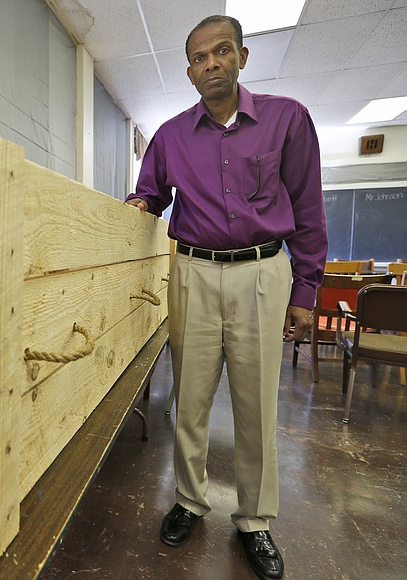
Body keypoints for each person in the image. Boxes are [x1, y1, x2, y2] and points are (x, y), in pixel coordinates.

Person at [125, 14, 327, 580]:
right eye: (197, 57)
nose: (209, 63)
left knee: (256, 402)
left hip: (264, 274)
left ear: (241, 56)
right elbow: (151, 196)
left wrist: (305, 289)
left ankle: (254, 520)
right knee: (189, 397)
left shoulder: (287, 120)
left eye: (220, 52)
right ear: (188, 71)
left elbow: (308, 209)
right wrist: (137, 207)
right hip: (192, 271)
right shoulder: (168, 136)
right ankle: (190, 501)